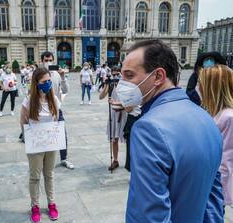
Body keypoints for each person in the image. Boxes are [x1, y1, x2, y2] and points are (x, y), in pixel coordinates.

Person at [120, 40, 224, 222]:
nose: (122, 84)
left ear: (158, 76)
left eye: (129, 75)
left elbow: (148, 216)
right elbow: (213, 199)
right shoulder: (206, 117)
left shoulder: (148, 128)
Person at [20, 68, 59, 223]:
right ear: (36, 83)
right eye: (44, 82)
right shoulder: (29, 100)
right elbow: (23, 120)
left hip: (50, 143)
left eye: (49, 81)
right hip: (35, 144)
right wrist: (27, 137)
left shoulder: (54, 99)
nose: (48, 84)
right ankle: (35, 206)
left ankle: (51, 203)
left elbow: (56, 120)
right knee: (35, 176)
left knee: (49, 174)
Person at [199, 65, 233, 209]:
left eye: (200, 84)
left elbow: (226, 161)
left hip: (216, 191)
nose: (198, 88)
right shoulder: (216, 114)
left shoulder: (228, 117)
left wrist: (216, 195)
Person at [41, 51, 74, 169]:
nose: (48, 62)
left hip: (56, 108)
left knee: (62, 133)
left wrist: (63, 77)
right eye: (46, 60)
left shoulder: (57, 74)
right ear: (42, 61)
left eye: (50, 60)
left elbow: (65, 90)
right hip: (43, 109)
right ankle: (44, 160)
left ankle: (64, 158)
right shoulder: (38, 74)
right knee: (44, 134)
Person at [99, 66, 128, 171]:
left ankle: (130, 161)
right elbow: (101, 96)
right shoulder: (110, 84)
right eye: (114, 74)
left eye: (117, 74)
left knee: (127, 138)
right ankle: (115, 160)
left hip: (124, 113)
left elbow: (129, 101)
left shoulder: (126, 85)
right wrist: (106, 84)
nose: (116, 76)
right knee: (114, 138)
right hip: (113, 114)